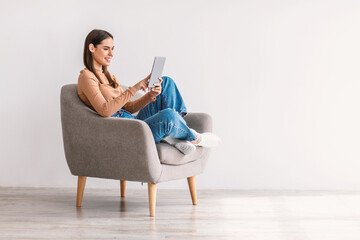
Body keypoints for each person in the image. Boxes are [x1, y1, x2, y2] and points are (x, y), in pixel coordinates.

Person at [77, 29, 221, 155]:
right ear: (92, 48)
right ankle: (195, 138)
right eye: (106, 49)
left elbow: (128, 107)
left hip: (134, 121)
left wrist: (151, 96)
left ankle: (175, 137)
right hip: (127, 130)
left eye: (113, 49)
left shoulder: (109, 76)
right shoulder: (86, 76)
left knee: (166, 82)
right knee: (168, 115)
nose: (111, 54)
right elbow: (105, 111)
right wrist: (134, 88)